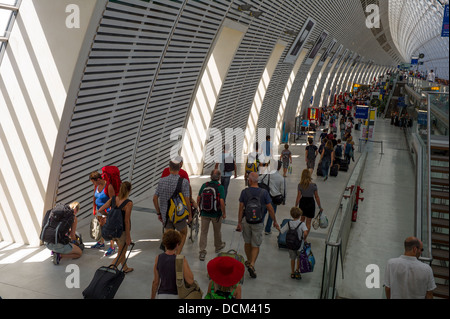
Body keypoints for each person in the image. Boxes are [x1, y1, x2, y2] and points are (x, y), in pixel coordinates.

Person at [236, 172, 280, 279]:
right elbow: (270, 208)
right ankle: (252, 264)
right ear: (258, 181)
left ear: (250, 181)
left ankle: (249, 260)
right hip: (258, 222)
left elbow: (241, 208)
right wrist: (274, 221)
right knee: (256, 244)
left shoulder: (244, 192)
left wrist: (239, 222)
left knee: (247, 242)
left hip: (247, 221)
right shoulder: (264, 193)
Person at [154, 159, 192, 255]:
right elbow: (187, 200)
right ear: (180, 167)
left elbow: (154, 199)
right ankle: (177, 255)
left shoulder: (161, 181)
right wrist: (190, 215)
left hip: (166, 215)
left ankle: (168, 256)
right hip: (179, 215)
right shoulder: (184, 182)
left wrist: (159, 213)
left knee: (169, 237)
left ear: (169, 168)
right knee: (183, 233)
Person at [98, 181, 134, 273]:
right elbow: (126, 221)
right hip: (122, 232)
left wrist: (107, 216)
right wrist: (128, 237)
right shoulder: (128, 203)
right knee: (121, 254)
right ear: (129, 190)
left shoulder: (113, 199)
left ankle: (125, 268)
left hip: (112, 230)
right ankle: (109, 271)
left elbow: (101, 209)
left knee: (120, 251)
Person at [151, 229, 195, 299]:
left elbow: (155, 282)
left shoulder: (158, 258)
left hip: (162, 295)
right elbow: (190, 281)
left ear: (165, 243)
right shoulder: (181, 260)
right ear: (177, 245)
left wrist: (152, 297)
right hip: (176, 295)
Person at [197, 169, 227, 261]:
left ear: (210, 176)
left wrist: (199, 208)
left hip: (204, 213)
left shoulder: (204, 185)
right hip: (216, 214)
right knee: (217, 231)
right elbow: (221, 201)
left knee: (203, 232)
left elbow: (198, 198)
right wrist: (224, 213)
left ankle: (202, 251)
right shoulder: (220, 187)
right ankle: (218, 246)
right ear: (219, 177)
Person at [89, 171, 116, 256]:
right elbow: (94, 197)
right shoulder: (96, 186)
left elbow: (113, 200)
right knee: (101, 227)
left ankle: (112, 247)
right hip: (99, 211)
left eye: (94, 182)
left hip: (107, 211)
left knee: (109, 229)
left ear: (98, 179)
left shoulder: (109, 186)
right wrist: (94, 209)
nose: (93, 184)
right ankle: (101, 242)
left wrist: (110, 214)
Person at [280, 207, 309, 280]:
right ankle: (297, 270)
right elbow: (305, 233)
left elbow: (281, 231)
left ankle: (292, 272)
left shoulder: (289, 223)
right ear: (300, 215)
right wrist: (304, 238)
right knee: (299, 258)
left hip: (291, 244)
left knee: (292, 258)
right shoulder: (302, 224)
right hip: (299, 244)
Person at [258, 160, 286, 235]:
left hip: (265, 197)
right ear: (279, 168)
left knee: (263, 213)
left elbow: (258, 179)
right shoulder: (281, 178)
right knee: (272, 214)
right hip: (275, 199)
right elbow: (283, 190)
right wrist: (283, 200)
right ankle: (267, 229)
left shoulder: (266, 175)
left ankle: (260, 229)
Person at [295, 169, 323, 237]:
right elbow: (317, 197)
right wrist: (320, 207)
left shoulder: (300, 185)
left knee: (302, 220)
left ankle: (300, 235)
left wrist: (295, 206)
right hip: (311, 203)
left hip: (303, 203)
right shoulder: (314, 185)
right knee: (308, 222)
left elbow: (298, 197)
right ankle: (305, 238)